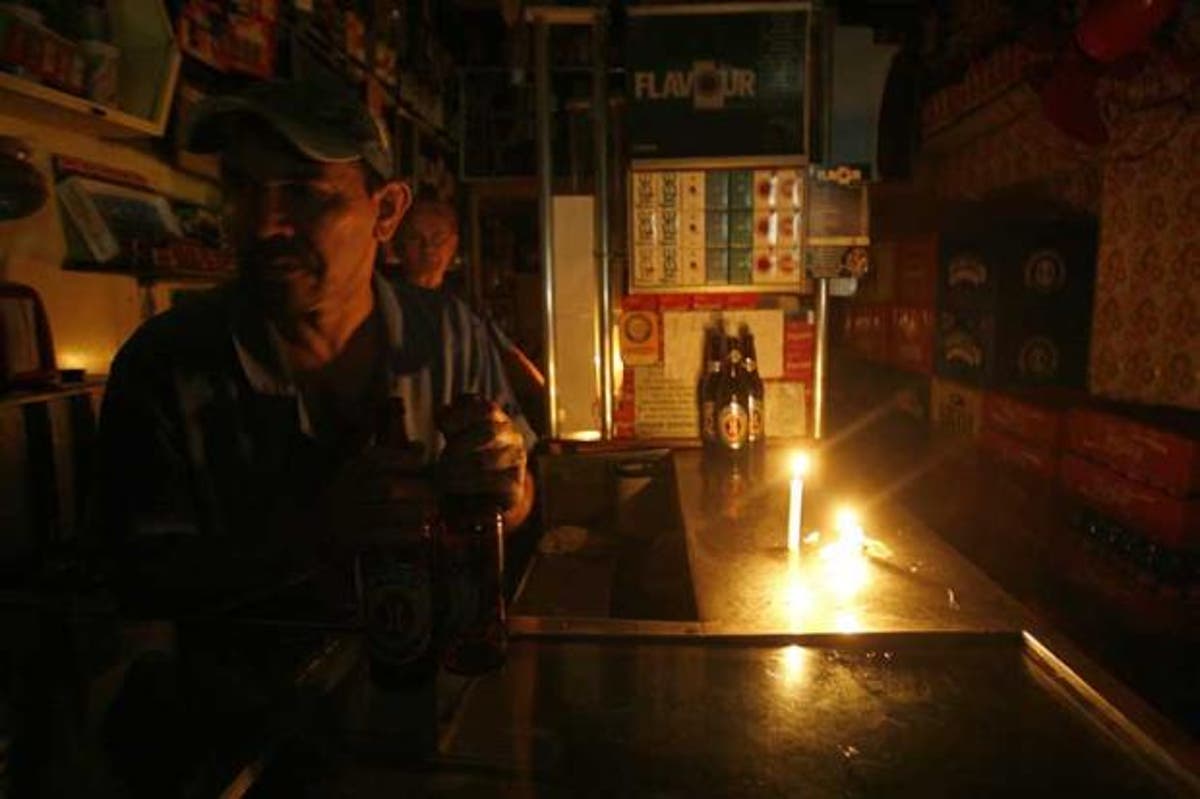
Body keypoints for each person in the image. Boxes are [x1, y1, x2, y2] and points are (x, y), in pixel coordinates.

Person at [95, 78, 536, 618]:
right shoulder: (165, 363)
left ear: (387, 211)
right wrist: (316, 534)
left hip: (428, 673)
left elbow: (517, 492)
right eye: (240, 187)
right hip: (246, 696)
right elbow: (133, 583)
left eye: (303, 192)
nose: (261, 224)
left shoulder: (450, 333)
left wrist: (506, 490)